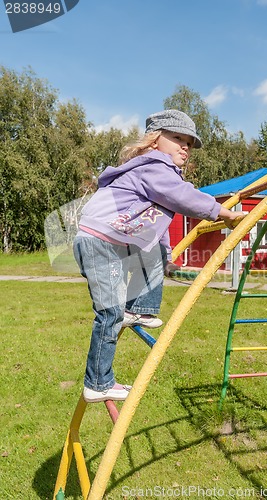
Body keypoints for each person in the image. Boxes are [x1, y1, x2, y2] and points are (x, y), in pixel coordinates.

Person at [73, 109, 244, 403]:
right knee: (109, 314)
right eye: (177, 138)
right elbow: (184, 197)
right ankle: (98, 383)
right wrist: (224, 212)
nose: (185, 147)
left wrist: (164, 258)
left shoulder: (159, 175)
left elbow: (156, 225)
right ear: (154, 142)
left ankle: (139, 310)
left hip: (114, 239)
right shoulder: (154, 167)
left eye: (189, 142)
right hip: (100, 242)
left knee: (155, 253)